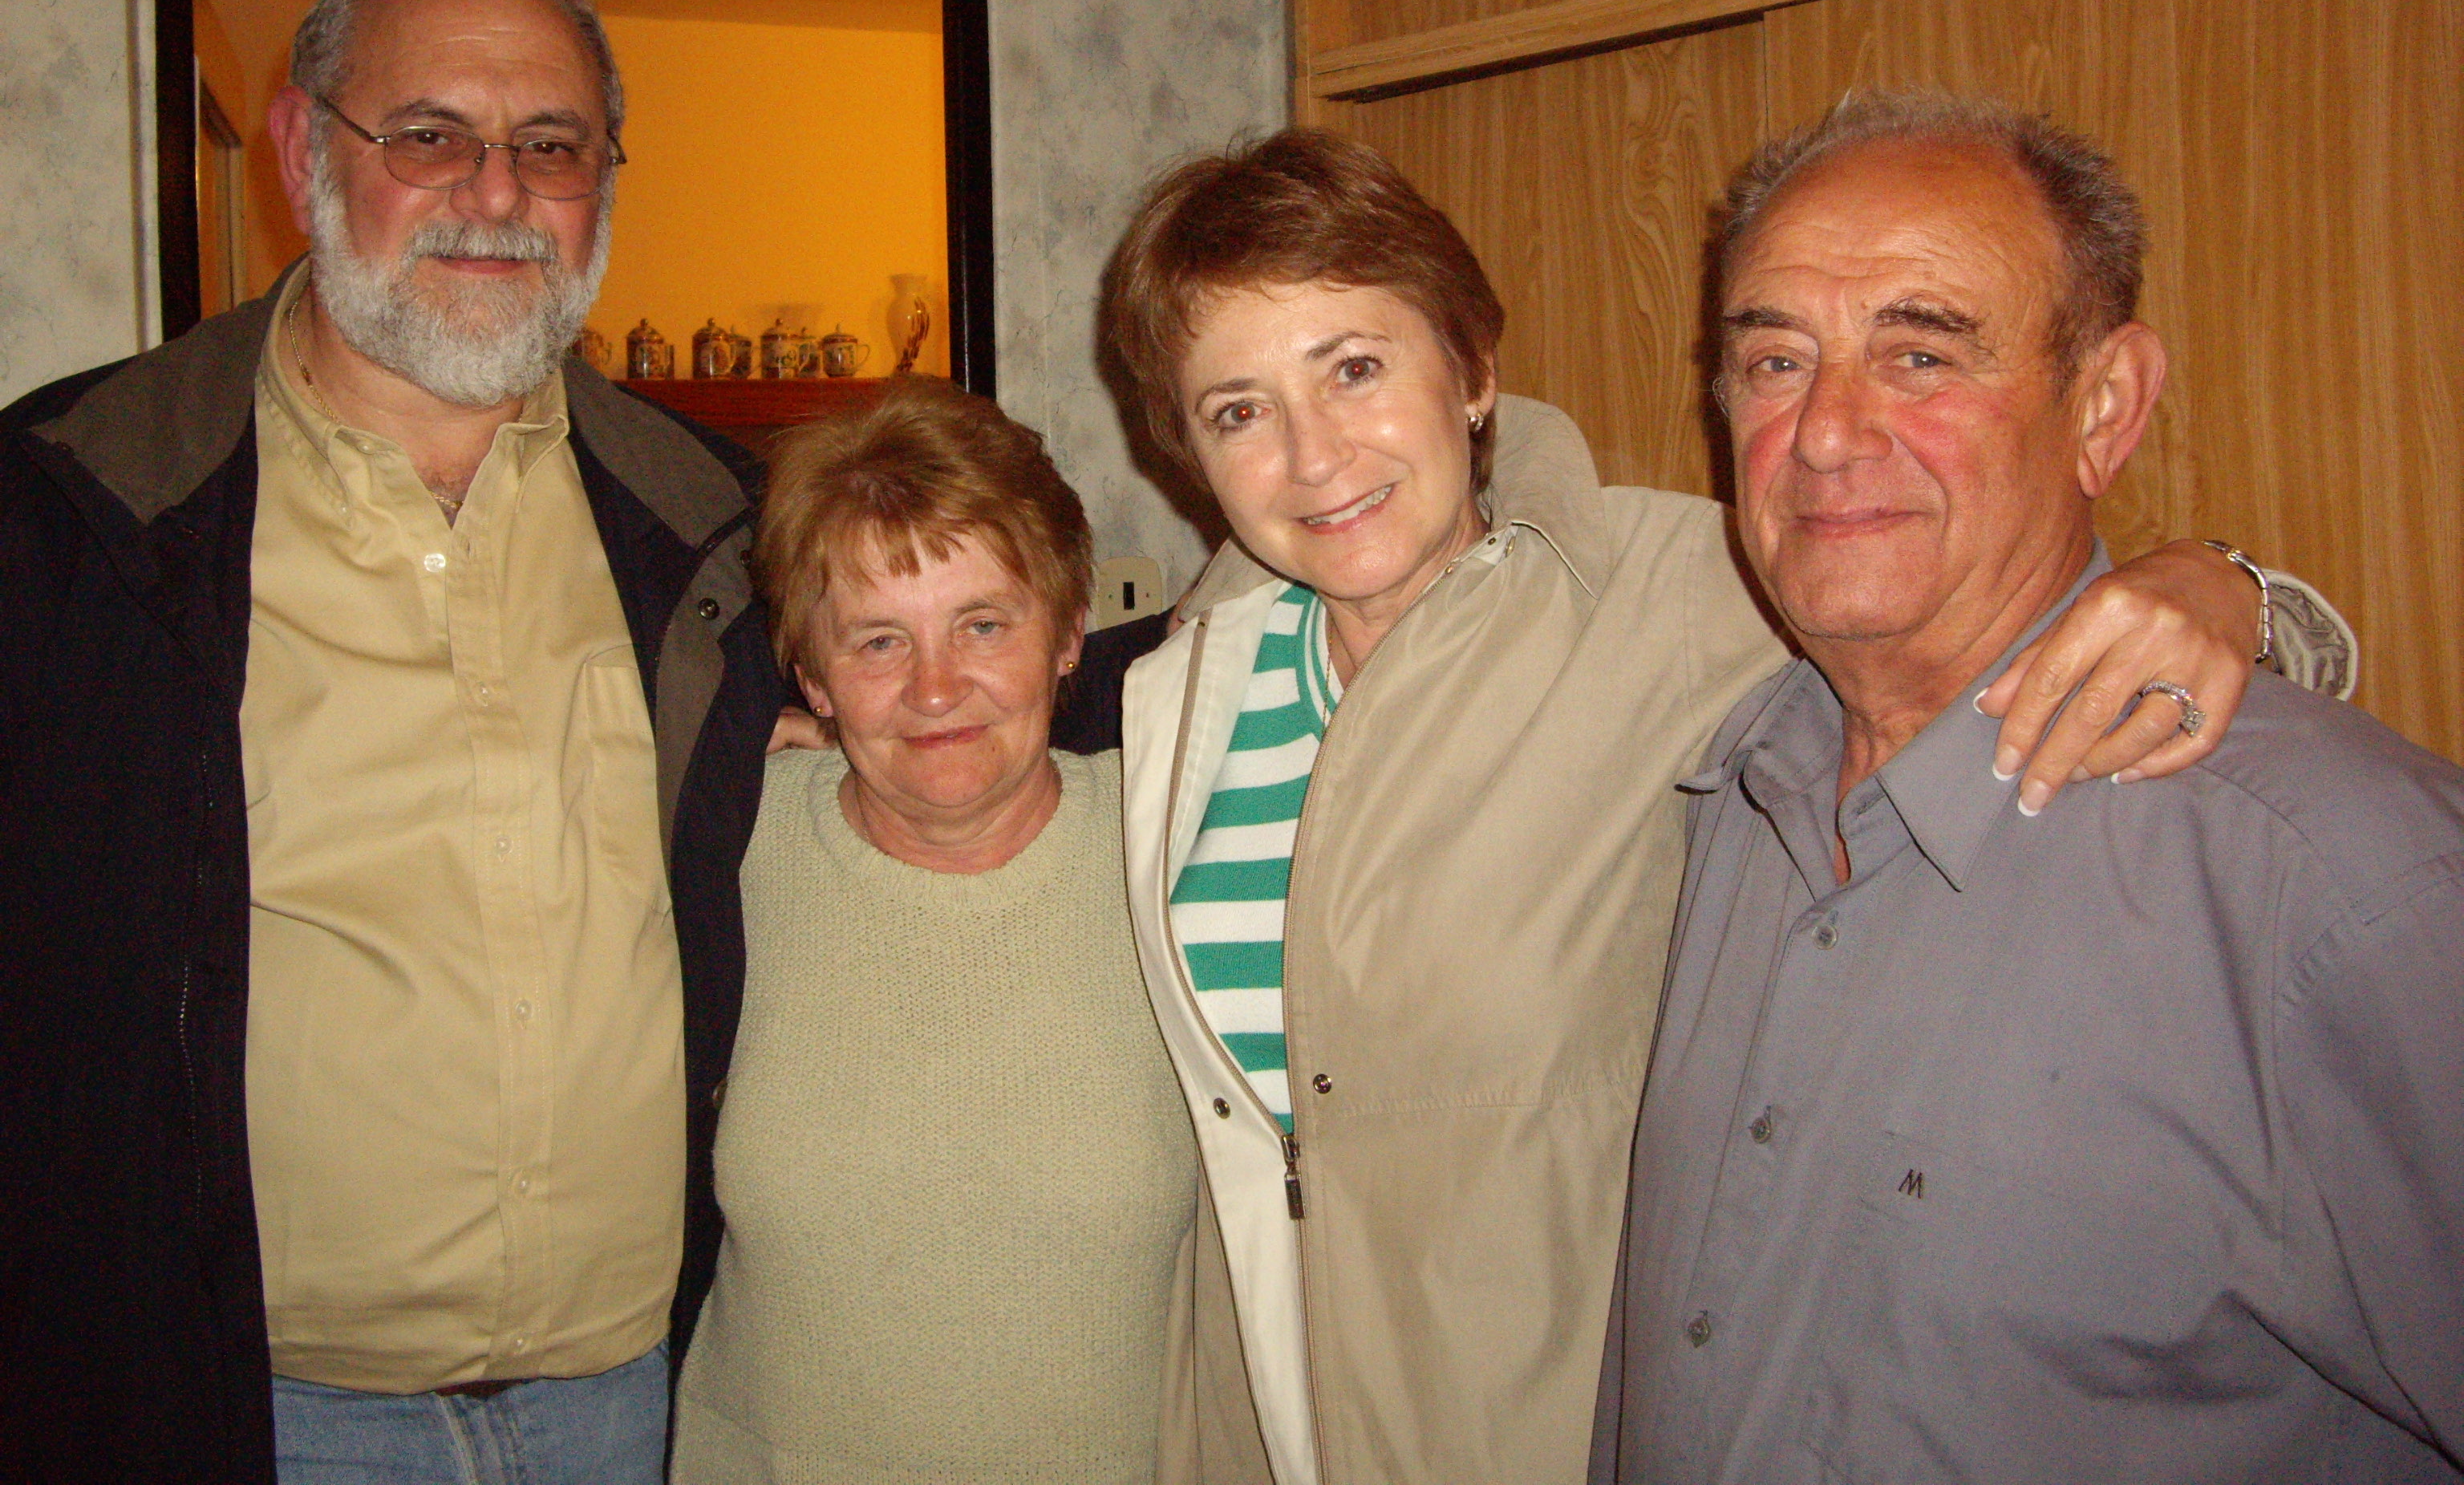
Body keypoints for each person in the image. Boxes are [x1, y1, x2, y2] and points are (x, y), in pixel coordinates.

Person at [1093, 127, 2316, 1485]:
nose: (1314, 456)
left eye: (1355, 369)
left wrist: (2238, 594)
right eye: (1240, 410)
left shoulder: (1688, 591)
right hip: (1266, 1430)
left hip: (1559, 1435)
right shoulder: (1180, 691)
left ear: (1473, 370)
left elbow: (2024, 650)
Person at [0, 0, 783, 1483]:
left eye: (550, 145)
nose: (496, 196)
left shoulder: (727, 530)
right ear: (305, 149)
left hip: (643, 1401)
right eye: (429, 135)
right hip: (243, 1413)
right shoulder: (66, 516)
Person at [1591, 95, 2462, 1482]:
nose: (1825, 433)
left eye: (1921, 355)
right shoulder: (1719, 799)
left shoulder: (2344, 886)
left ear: (2103, 409)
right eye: (1775, 361)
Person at [669, 382, 1198, 1483]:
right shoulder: (717, 850)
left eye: (983, 625)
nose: (937, 689)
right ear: (810, 677)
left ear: (1068, 633)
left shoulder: (1178, 854)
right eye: (877, 642)